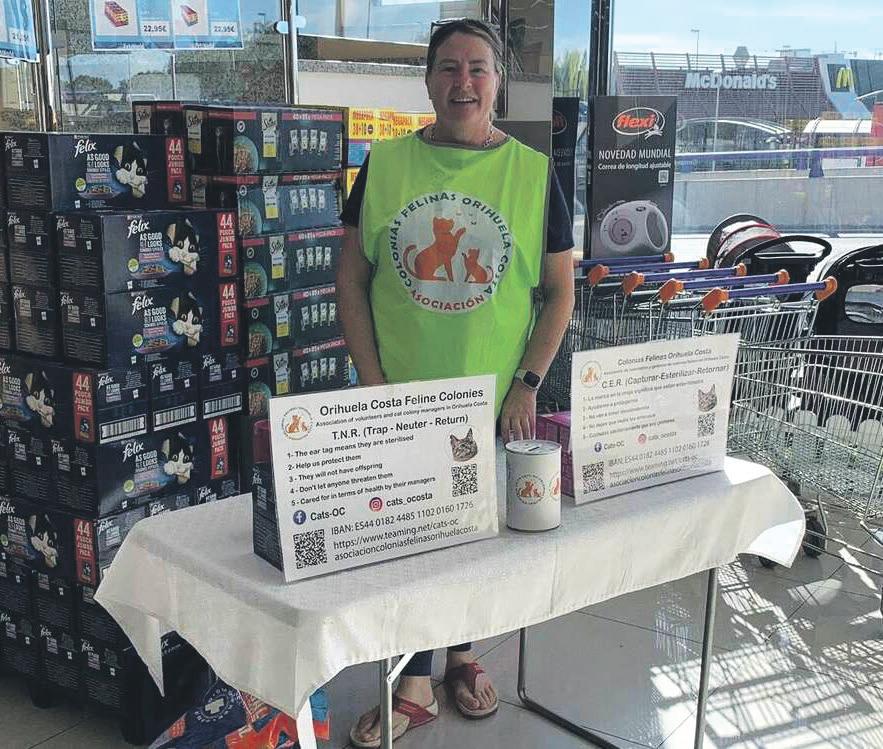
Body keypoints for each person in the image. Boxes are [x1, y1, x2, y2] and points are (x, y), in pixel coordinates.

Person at [336, 17, 575, 747]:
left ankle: (461, 656)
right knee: (407, 540)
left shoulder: (532, 174)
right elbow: (350, 280)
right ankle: (413, 677)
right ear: (427, 80)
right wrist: (372, 381)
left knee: (475, 541)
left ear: (498, 81)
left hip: (491, 400)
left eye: (477, 68)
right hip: (402, 396)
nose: (462, 82)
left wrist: (527, 383)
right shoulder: (385, 164)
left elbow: (559, 292)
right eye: (448, 67)